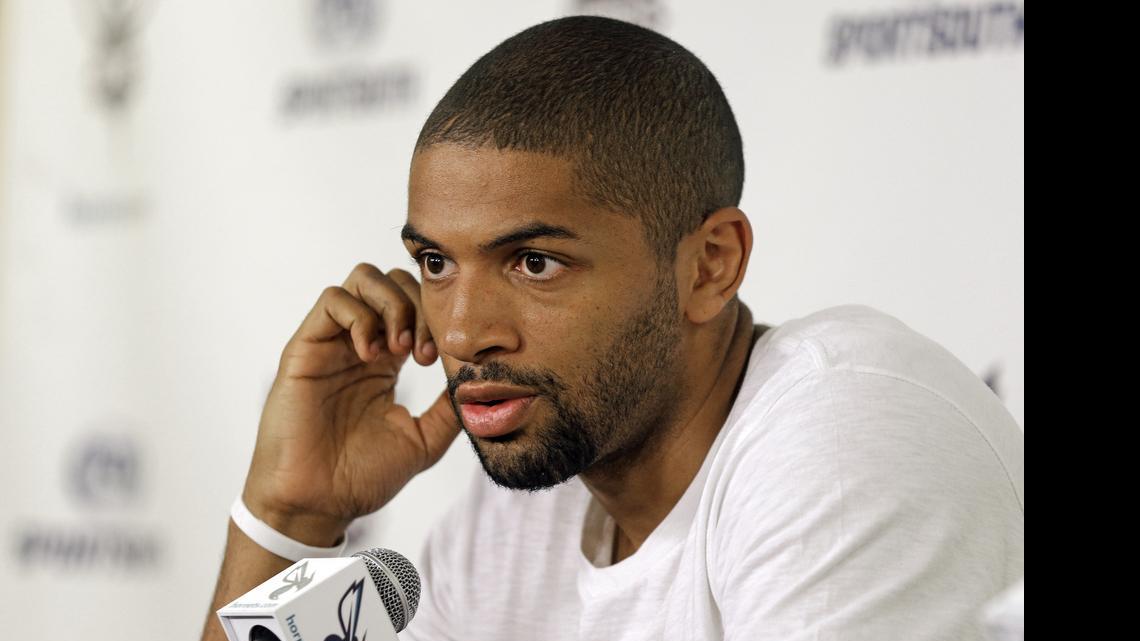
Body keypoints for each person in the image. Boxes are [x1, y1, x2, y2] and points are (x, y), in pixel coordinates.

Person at [201, 16, 1024, 641]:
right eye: (436, 263)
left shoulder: (845, 438)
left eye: (533, 263)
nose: (459, 333)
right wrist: (291, 514)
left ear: (709, 264)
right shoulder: (519, 515)